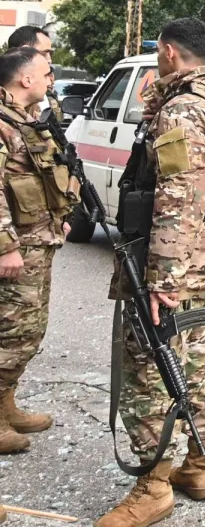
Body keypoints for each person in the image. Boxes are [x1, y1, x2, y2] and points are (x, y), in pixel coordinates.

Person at [98, 18, 205, 527]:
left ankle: (153, 485)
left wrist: (163, 279)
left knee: (149, 369)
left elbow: (179, 195)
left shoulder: (184, 108)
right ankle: (200, 466)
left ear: (168, 51)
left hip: (175, 266)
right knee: (198, 360)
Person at [0, 47, 75, 456]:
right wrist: (5, 247)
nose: (51, 80)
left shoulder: (26, 120)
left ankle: (5, 404)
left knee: (27, 332)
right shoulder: (3, 123)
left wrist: (59, 215)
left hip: (38, 241)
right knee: (11, 334)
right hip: (16, 248)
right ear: (25, 79)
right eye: (46, 73)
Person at [6, 26, 59, 120]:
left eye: (50, 54)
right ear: (25, 51)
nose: (49, 60)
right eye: (45, 53)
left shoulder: (44, 96)